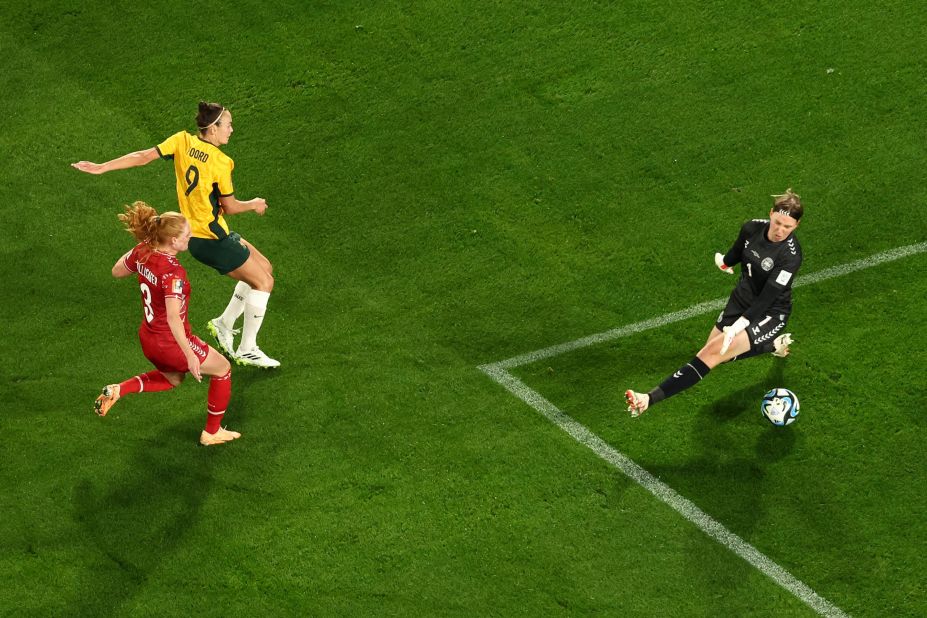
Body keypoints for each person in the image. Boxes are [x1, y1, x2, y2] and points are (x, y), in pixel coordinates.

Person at [72, 101, 279, 368]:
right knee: (264, 283)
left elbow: (143, 156)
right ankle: (247, 348)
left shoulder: (182, 141)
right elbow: (230, 206)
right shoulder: (222, 161)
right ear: (213, 129)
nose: (231, 129)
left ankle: (224, 323)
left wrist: (102, 167)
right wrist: (254, 204)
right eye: (227, 124)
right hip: (212, 240)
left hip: (198, 234)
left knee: (264, 267)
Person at [625, 189, 804, 417]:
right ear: (770, 213)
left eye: (787, 227)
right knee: (712, 352)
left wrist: (737, 327)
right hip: (741, 299)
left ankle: (648, 399)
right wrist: (724, 262)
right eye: (777, 222)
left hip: (769, 313)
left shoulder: (791, 256)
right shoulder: (751, 228)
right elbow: (737, 253)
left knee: (712, 353)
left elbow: (767, 297)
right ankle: (771, 346)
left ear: (796, 226)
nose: (780, 231)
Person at [94, 201, 241, 446]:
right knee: (222, 369)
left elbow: (117, 271)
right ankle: (212, 433)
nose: (190, 237)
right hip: (171, 342)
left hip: (148, 338)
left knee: (173, 379)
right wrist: (190, 355)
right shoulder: (173, 272)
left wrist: (139, 252)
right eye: (186, 235)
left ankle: (121, 389)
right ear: (173, 240)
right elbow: (173, 318)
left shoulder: (143, 251)